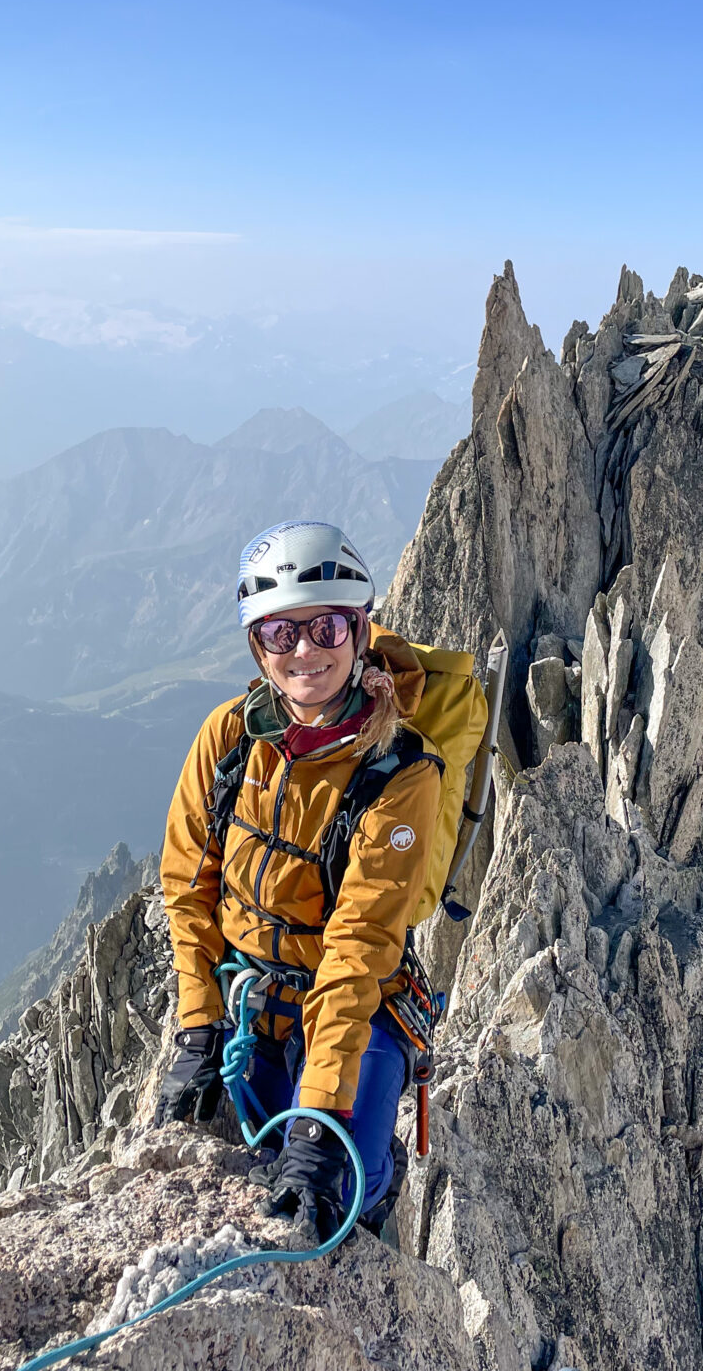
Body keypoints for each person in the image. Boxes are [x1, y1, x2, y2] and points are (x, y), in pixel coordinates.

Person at [154, 519, 442, 1241]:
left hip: (353, 1006)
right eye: (283, 634)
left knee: (336, 1184)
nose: (306, 652)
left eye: (328, 629)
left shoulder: (401, 772)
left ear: (361, 629)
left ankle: (378, 1188)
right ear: (258, 644)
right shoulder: (228, 738)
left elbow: (360, 944)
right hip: (249, 1003)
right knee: (254, 1160)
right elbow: (188, 884)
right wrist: (197, 1024)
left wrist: (318, 1120)